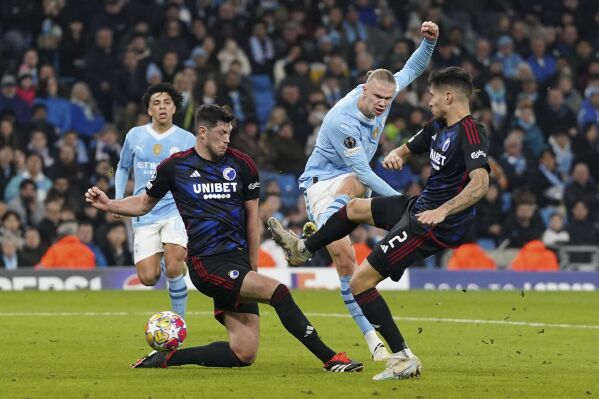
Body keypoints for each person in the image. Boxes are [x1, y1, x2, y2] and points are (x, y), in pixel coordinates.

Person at [85, 104, 362, 372]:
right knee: (279, 292)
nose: (227, 140)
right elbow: (144, 203)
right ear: (202, 133)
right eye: (221, 133)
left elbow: (251, 220)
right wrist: (110, 204)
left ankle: (166, 359)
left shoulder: (243, 165)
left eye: (229, 133)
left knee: (243, 353)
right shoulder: (175, 167)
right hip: (207, 264)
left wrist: (253, 268)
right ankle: (331, 358)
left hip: (238, 262)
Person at [268, 67, 490, 380]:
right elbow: (410, 145)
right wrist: (397, 153)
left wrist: (443, 211)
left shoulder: (470, 133)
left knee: (360, 282)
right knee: (356, 208)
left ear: (449, 97)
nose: (428, 101)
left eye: (433, 96)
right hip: (420, 207)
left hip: (434, 223)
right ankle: (303, 248)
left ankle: (402, 357)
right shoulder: (439, 124)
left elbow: (480, 184)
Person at [296, 21, 438, 361]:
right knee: (348, 257)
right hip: (321, 185)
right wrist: (402, 205)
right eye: (377, 98)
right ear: (364, 90)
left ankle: (317, 237)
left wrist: (428, 42)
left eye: (387, 99)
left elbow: (413, 68)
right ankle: (374, 341)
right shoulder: (341, 120)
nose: (382, 104)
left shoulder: (385, 96)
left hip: (351, 186)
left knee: (354, 265)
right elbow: (361, 171)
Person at [114, 83, 196, 318]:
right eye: (156, 103)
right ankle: (171, 260)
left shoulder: (186, 140)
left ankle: (179, 322)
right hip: (144, 212)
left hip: (174, 211)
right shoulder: (135, 135)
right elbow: (121, 168)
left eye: (167, 103)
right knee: (148, 278)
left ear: (174, 108)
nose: (162, 107)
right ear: (149, 110)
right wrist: (119, 199)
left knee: (173, 267)